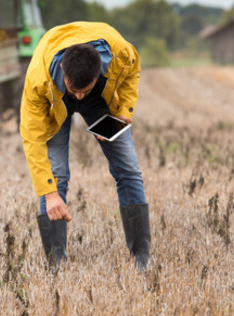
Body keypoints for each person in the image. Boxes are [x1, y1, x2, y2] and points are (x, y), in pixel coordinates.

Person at [19, 21, 151, 270]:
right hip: (55, 101)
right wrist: (49, 194)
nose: (79, 96)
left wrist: (123, 112)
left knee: (129, 170)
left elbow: (134, 69)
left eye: (84, 90)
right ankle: (55, 262)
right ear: (62, 69)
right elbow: (32, 139)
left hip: (100, 101)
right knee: (56, 175)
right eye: (74, 90)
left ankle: (141, 257)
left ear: (100, 71)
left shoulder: (120, 53)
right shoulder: (38, 80)